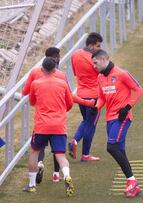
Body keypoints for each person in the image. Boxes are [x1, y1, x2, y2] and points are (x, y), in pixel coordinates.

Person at [92, 49, 143, 198]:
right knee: (119, 149)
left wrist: (127, 107)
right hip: (109, 119)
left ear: (104, 59)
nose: (94, 66)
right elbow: (101, 97)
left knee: (111, 147)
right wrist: (96, 107)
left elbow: (139, 90)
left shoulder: (121, 73)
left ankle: (132, 181)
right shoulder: (100, 77)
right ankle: (132, 183)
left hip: (122, 118)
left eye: (95, 63)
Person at [23, 57, 74, 196]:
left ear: (42, 69)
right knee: (60, 155)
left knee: (34, 152)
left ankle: (32, 184)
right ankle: (66, 175)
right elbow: (69, 104)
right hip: (59, 125)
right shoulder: (62, 83)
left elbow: (32, 101)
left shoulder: (36, 83)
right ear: (55, 69)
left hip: (41, 125)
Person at [22, 47, 63, 184]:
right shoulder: (61, 76)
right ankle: (57, 174)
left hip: (41, 120)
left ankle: (39, 166)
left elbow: (25, 93)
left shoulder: (35, 74)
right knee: (58, 150)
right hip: (58, 120)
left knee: (37, 148)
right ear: (56, 58)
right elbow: (69, 98)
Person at [69, 32, 103, 162]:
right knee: (91, 125)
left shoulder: (75, 55)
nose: (99, 48)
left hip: (81, 94)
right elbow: (102, 73)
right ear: (91, 45)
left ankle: (76, 145)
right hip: (94, 96)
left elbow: (75, 72)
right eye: (98, 46)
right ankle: (83, 152)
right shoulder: (94, 59)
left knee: (86, 121)